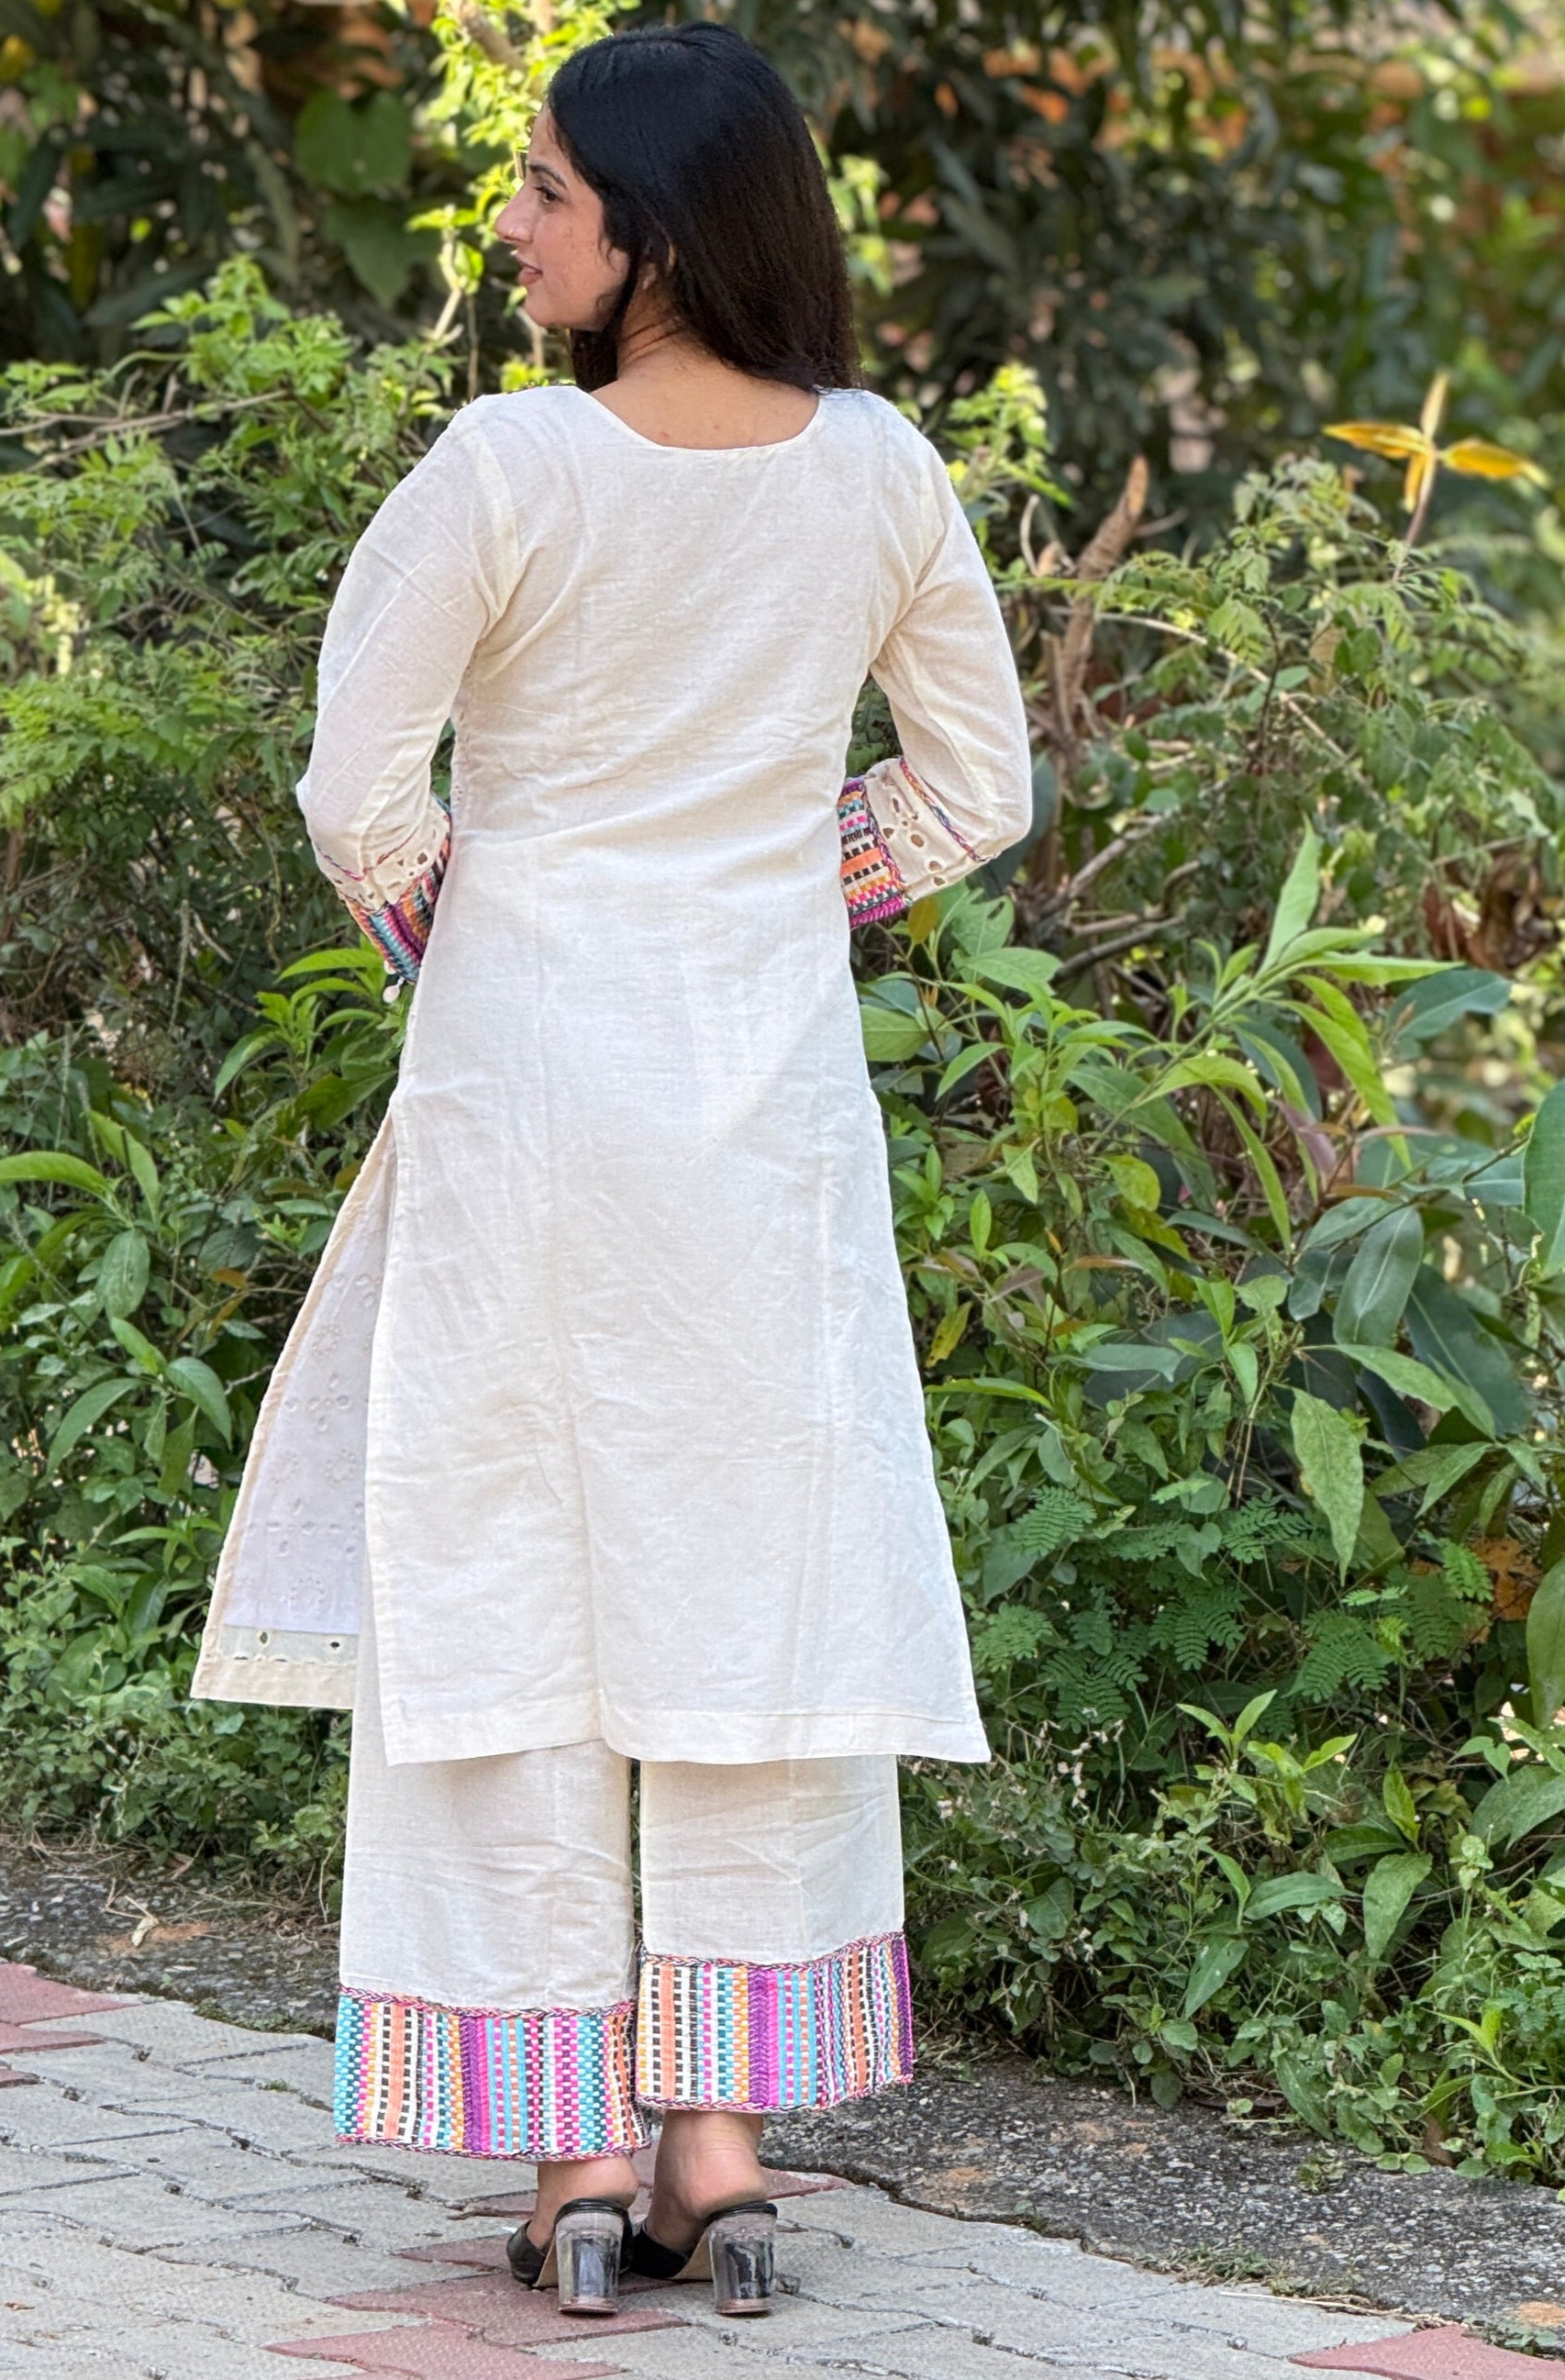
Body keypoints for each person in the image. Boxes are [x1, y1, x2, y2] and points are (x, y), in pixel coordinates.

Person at [191, 19, 1032, 2322]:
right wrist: (770, 894)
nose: (510, 221)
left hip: (528, 1096)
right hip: (760, 1109)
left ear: (655, 232)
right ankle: (721, 2150)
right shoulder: (876, 470)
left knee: (515, 1586)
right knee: (751, 1583)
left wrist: (481, 930)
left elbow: (355, 791)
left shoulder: (506, 468)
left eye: (545, 187)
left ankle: (571, 2154)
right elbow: (976, 790)